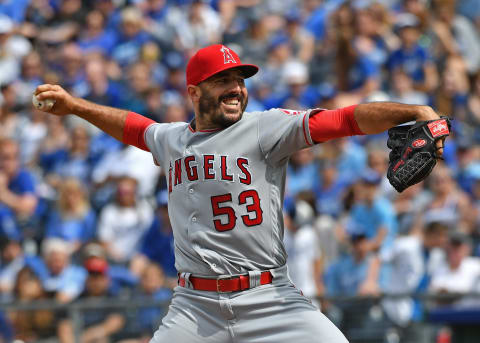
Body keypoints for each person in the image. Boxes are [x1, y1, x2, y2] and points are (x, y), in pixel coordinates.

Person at [33, 43, 445, 342]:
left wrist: (411, 112)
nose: (235, 88)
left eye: (239, 80)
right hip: (195, 307)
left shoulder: (266, 128)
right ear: (193, 92)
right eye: (222, 80)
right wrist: (75, 106)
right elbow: (133, 127)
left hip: (269, 297)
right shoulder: (172, 139)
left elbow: (344, 120)